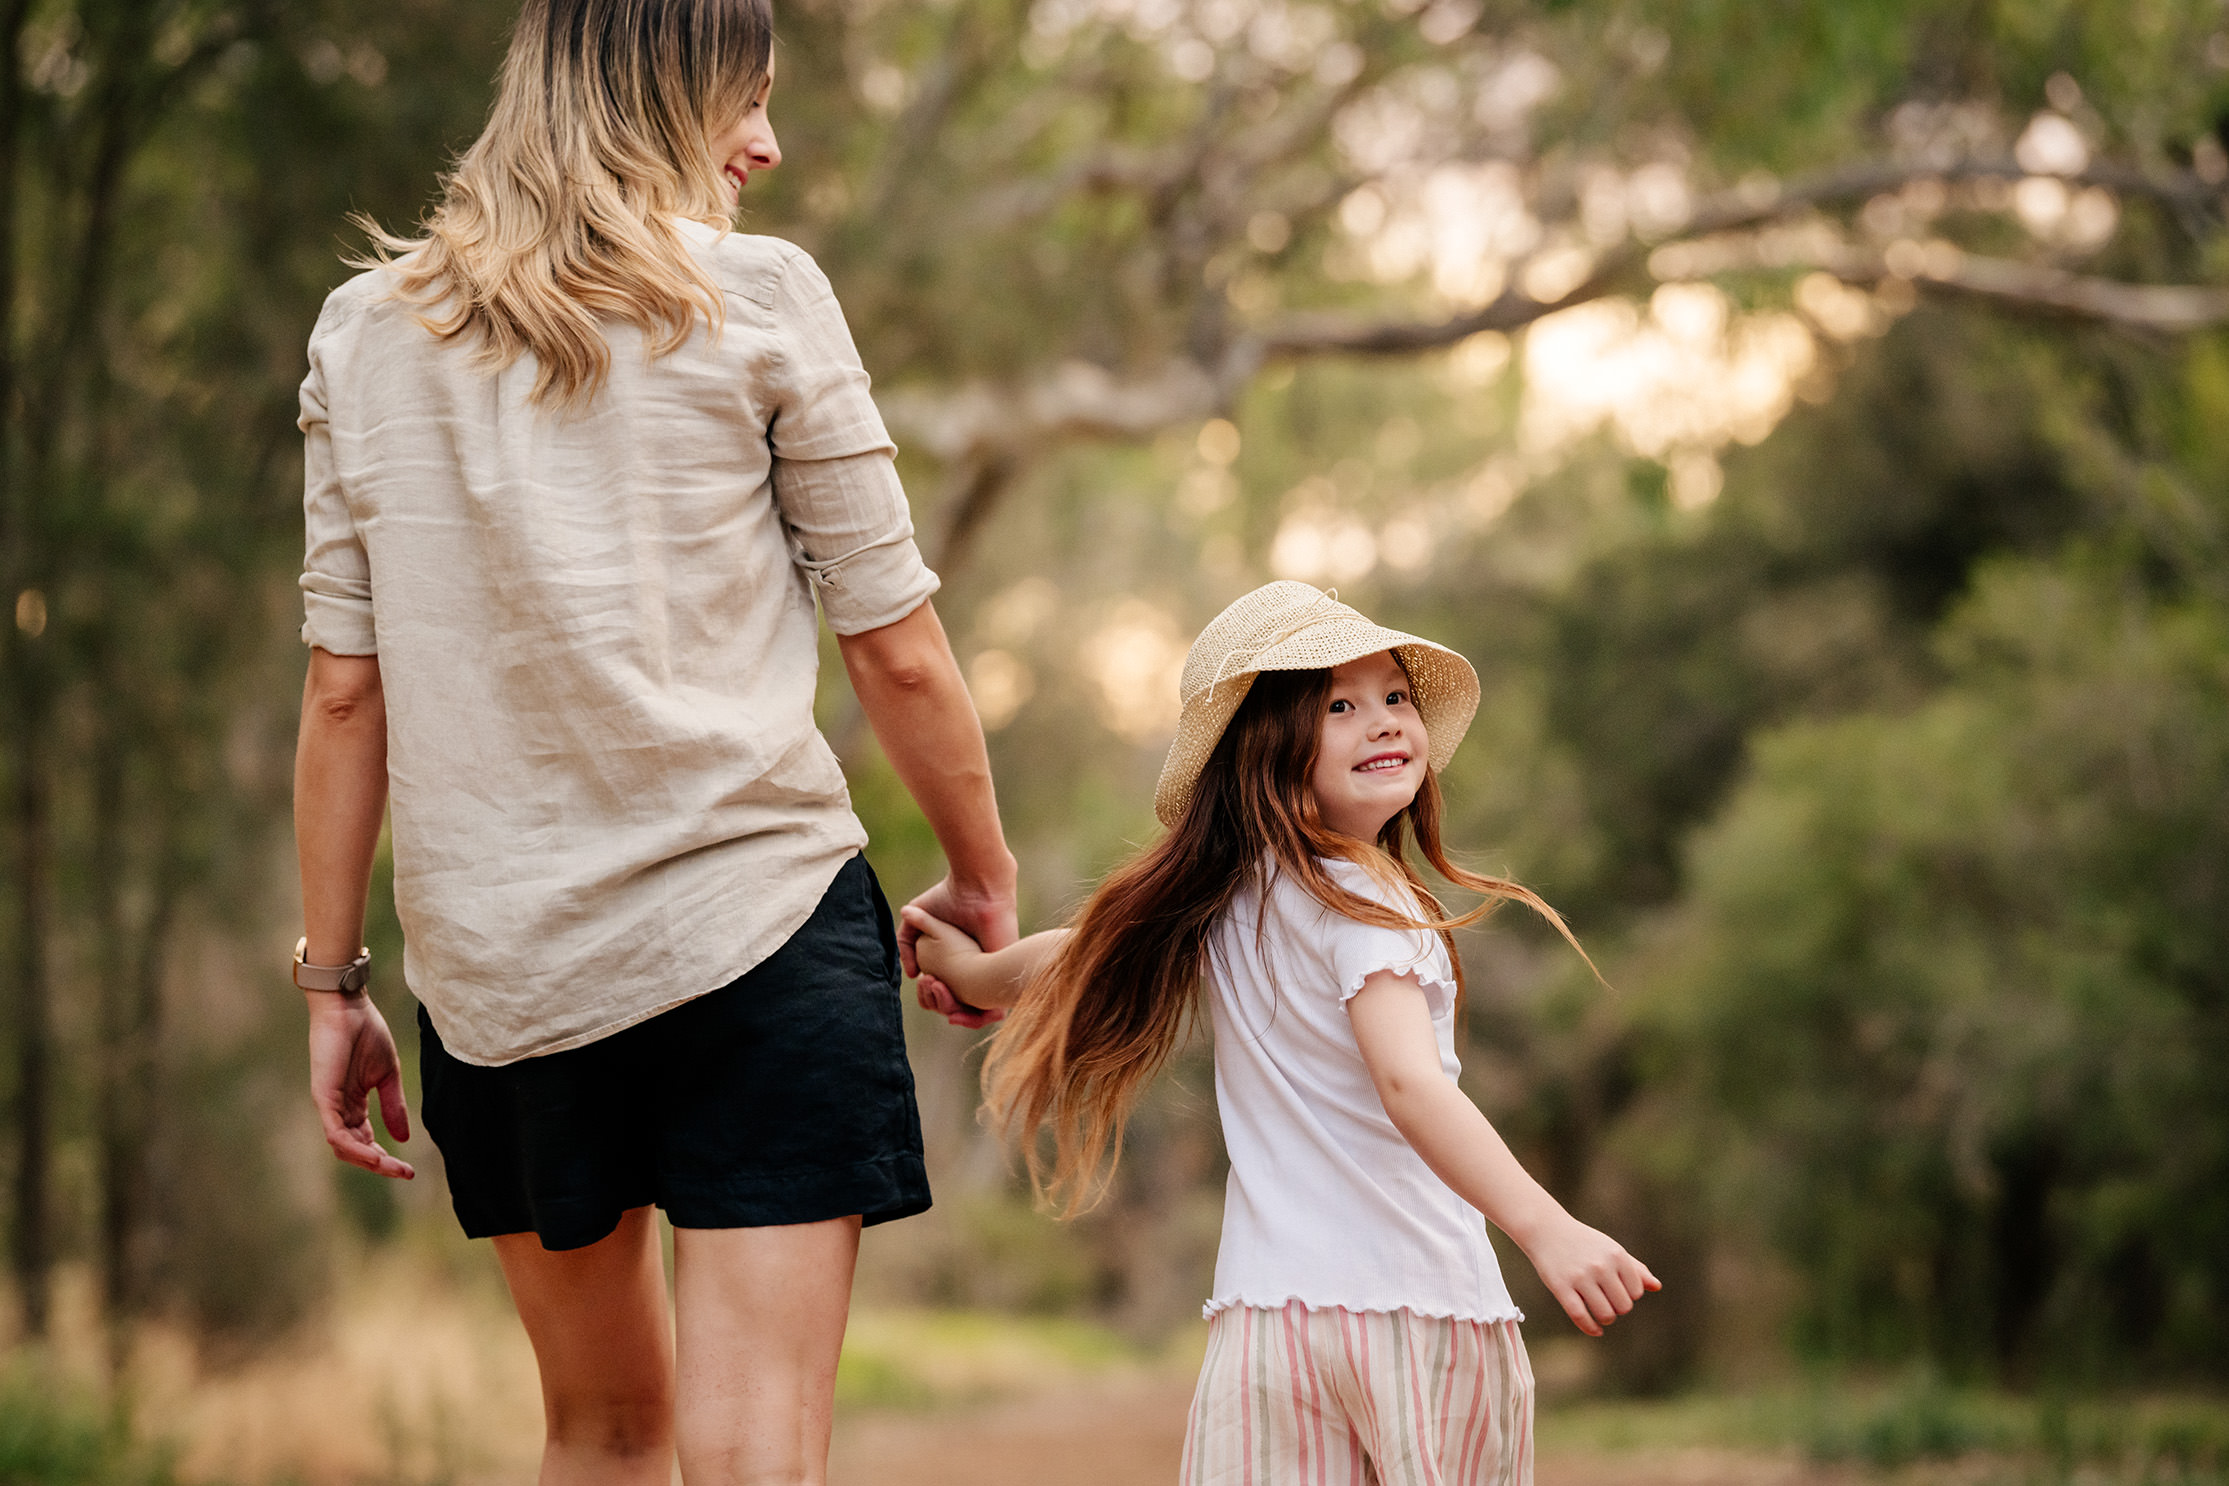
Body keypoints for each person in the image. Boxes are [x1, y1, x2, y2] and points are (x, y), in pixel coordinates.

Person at [290, 2, 1016, 1482]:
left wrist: (332, 980)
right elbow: (893, 642)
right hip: (755, 925)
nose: (767, 142)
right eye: (746, 102)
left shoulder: (365, 335)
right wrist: (980, 877)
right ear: (656, 97)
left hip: (502, 976)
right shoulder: (758, 296)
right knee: (759, 1458)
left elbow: (344, 695)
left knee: (601, 1433)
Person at [905, 581, 1659, 1486]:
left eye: (1393, 698)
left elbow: (1080, 949)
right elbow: (1411, 1087)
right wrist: (1548, 1229)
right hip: (1415, 1309)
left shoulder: (1232, 899)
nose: (1382, 722)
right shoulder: (1371, 898)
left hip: (1271, 1324)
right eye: (1338, 705)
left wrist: (970, 973)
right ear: (1265, 747)